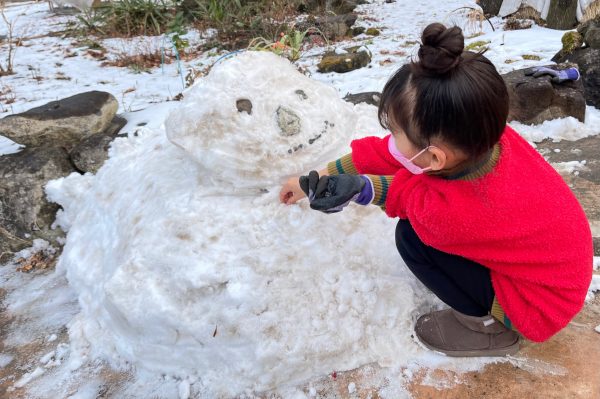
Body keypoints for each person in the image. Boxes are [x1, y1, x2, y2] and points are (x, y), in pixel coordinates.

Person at [279, 22, 593, 357]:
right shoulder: (485, 136)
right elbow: (390, 155)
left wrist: (359, 188)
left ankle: (488, 331)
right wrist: (316, 176)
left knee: (412, 239)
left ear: (435, 157)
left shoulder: (450, 214)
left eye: (397, 131)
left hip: (538, 305)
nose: (391, 139)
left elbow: (406, 197)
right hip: (560, 271)